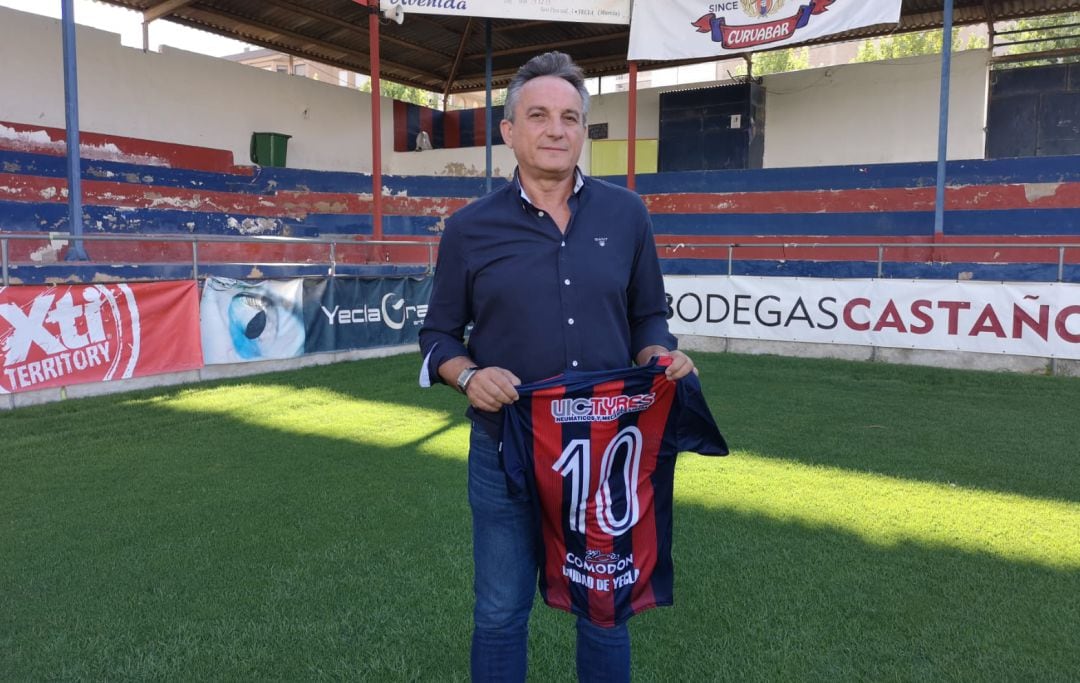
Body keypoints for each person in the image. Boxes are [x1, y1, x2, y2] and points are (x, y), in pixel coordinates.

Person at [418, 50, 696, 683]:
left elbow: (649, 315)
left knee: (604, 613)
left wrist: (658, 354)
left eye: (570, 117)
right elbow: (436, 335)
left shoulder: (628, 214)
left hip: (604, 454)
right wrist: (467, 375)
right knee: (498, 612)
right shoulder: (469, 228)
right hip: (506, 449)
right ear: (509, 130)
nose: (556, 129)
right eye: (538, 115)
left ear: (583, 131)